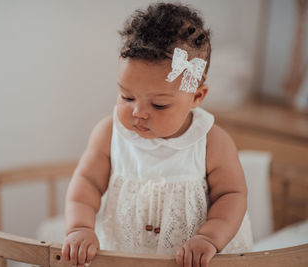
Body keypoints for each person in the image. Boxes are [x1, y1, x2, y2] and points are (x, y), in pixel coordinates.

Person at [62, 3, 253, 267]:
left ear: (196, 97)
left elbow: (231, 195)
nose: (138, 112)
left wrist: (209, 238)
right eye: (126, 97)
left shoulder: (212, 143)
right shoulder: (109, 133)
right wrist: (80, 228)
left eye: (159, 105)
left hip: (195, 258)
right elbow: (87, 183)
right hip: (125, 254)